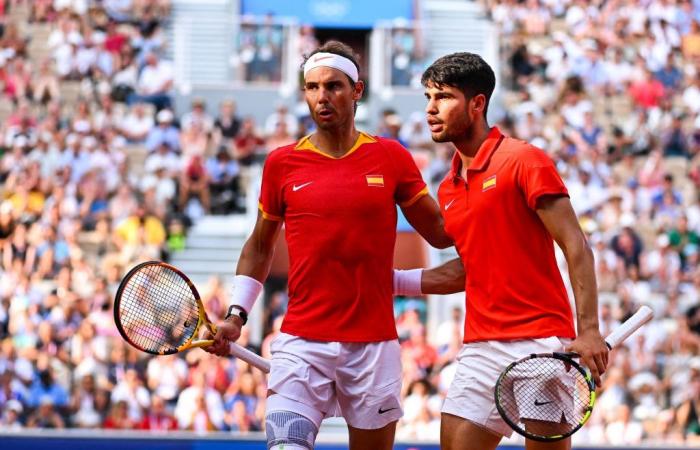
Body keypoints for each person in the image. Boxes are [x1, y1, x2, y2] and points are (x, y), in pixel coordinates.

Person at [205, 40, 451, 450]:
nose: (322, 97)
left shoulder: (391, 157)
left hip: (374, 345)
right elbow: (260, 246)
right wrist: (237, 314)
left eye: (334, 86)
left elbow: (441, 233)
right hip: (301, 343)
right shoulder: (281, 163)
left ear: (357, 91)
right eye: (313, 87)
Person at [394, 52, 609, 450]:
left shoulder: (524, 160)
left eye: (443, 97)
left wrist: (590, 330)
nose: (430, 109)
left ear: (477, 104)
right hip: (479, 346)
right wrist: (390, 281)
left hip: (541, 343)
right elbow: (469, 268)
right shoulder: (448, 187)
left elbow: (575, 245)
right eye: (428, 97)